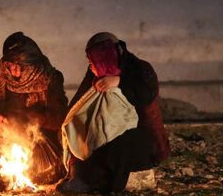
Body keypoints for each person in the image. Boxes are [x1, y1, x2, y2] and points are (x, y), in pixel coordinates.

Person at [0, 32, 67, 184]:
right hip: (8, 134)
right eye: (10, 65)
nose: (13, 71)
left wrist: (29, 117)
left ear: (31, 63)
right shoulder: (5, 78)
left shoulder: (49, 78)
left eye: (19, 66)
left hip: (39, 139)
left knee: (38, 171)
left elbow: (59, 118)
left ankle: (24, 174)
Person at [68, 32, 170, 165]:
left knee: (114, 150)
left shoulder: (140, 68)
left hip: (141, 140)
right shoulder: (97, 69)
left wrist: (120, 82)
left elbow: (147, 96)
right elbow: (81, 98)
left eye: (93, 59)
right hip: (103, 136)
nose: (91, 66)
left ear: (105, 54)